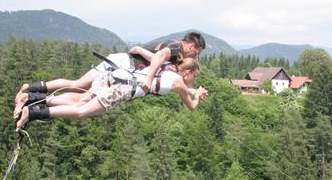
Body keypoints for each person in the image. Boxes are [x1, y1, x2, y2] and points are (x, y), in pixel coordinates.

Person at [13, 32, 206, 113]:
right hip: (123, 67)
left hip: (122, 65)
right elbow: (158, 58)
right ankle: (31, 95)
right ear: (191, 44)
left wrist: (193, 90)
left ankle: (32, 95)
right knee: (80, 92)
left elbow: (161, 66)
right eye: (196, 51)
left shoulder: (174, 47)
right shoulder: (176, 47)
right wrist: (148, 77)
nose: (195, 55)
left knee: (81, 93)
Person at [15, 56, 207, 131]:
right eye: (193, 77)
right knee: (81, 112)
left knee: (79, 99)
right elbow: (191, 107)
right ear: (188, 73)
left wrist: (192, 89)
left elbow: (166, 83)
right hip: (123, 89)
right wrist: (196, 95)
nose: (192, 81)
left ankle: (32, 98)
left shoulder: (165, 66)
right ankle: (32, 113)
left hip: (115, 76)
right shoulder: (179, 82)